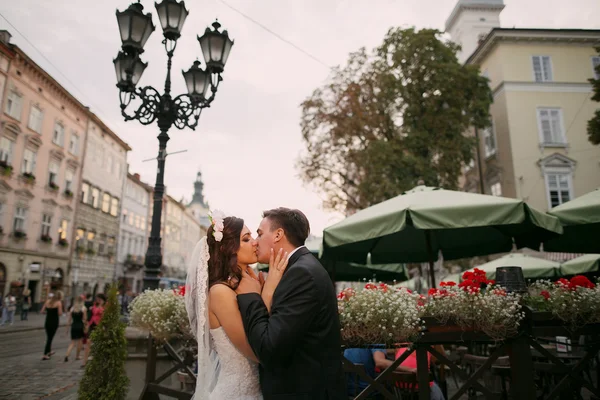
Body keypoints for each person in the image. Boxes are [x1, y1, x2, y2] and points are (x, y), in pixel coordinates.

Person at [236, 207, 346, 399]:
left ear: (278, 234)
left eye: (260, 234)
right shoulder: (298, 268)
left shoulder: (301, 273)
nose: (255, 241)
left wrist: (252, 296)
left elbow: (270, 347)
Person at [184, 211, 289, 399]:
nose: (256, 242)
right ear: (229, 249)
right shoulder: (220, 292)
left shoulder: (250, 282)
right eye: (247, 239)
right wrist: (268, 290)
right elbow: (254, 349)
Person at [372, 347, 445, 400]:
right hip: (422, 391)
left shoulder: (399, 347)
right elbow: (439, 360)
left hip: (399, 392)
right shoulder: (426, 348)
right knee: (435, 388)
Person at [82, 293, 106, 367]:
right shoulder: (94, 305)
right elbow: (90, 314)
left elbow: (104, 317)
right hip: (92, 324)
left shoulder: (105, 307)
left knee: (98, 344)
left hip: (99, 325)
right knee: (88, 342)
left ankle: (97, 361)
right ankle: (84, 362)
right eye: (97, 299)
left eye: (99, 299)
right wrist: (87, 324)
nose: (98, 300)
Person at [41, 292, 63, 360]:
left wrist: (48, 312)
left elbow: (42, 311)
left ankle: (49, 351)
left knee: (49, 336)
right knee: (50, 338)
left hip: (47, 321)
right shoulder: (58, 303)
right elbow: (60, 313)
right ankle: (45, 354)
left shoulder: (47, 301)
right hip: (54, 322)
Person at [64, 297, 87, 362]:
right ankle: (77, 356)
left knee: (72, 343)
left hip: (73, 326)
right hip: (80, 326)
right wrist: (86, 327)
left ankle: (67, 355)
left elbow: (69, 320)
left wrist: (66, 329)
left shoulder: (72, 308)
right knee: (80, 342)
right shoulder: (83, 308)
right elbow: (85, 319)